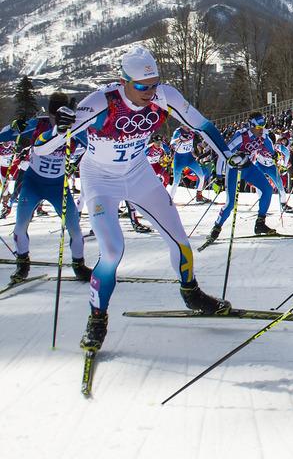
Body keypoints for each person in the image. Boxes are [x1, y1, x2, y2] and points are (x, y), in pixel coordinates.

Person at [35, 46, 245, 353]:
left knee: (181, 243)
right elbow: (41, 148)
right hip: (100, 180)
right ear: (124, 82)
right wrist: (59, 127)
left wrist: (226, 153)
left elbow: (201, 125)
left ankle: (192, 293)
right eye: (142, 86)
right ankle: (97, 318)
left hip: (138, 174)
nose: (150, 92)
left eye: (155, 83)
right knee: (111, 251)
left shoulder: (165, 96)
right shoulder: (100, 104)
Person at [0, 93, 89, 283]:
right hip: (34, 183)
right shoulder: (38, 123)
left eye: (56, 117)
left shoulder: (74, 128)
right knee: (20, 225)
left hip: (58, 186)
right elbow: (8, 133)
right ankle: (22, 264)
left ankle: (78, 265)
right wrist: (15, 125)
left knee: (74, 228)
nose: (53, 121)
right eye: (51, 116)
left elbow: (95, 144)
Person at [205, 112, 284, 242]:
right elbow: (222, 155)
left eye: (263, 126)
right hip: (234, 169)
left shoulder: (263, 135)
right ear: (251, 126)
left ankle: (260, 223)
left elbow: (269, 146)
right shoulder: (241, 137)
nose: (261, 130)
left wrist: (274, 154)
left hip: (248, 167)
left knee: (268, 189)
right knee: (230, 204)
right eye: (258, 127)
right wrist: (218, 176)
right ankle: (216, 228)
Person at [168, 126, 211, 203]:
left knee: (201, 176)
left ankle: (199, 196)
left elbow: (200, 136)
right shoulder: (178, 131)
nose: (189, 127)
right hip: (179, 159)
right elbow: (172, 143)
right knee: (176, 181)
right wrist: (180, 138)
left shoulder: (192, 131)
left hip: (189, 158)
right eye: (187, 125)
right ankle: (170, 200)